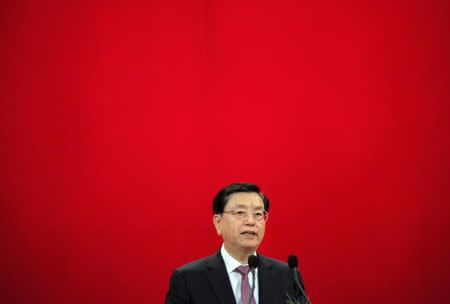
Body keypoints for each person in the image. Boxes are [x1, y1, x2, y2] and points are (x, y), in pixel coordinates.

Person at [166, 182, 306, 304]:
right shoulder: (188, 278)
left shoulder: (288, 276)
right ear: (218, 223)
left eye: (258, 214)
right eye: (240, 212)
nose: (251, 222)